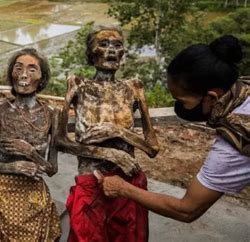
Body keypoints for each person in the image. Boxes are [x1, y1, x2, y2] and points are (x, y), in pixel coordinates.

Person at [99, 35, 250, 223]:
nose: (179, 106)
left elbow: (186, 210)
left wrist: (123, 188)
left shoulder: (235, 144)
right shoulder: (243, 87)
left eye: (182, 101)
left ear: (211, 97)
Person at [55, 25, 159, 242]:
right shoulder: (78, 85)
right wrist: (111, 154)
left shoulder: (134, 87)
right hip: (91, 181)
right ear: (92, 52)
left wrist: (117, 131)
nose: (111, 50)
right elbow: (60, 140)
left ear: (123, 53)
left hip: (128, 183)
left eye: (117, 45)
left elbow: (152, 147)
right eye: (103, 44)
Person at [0, 48, 61, 241]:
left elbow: (52, 169)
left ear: (42, 77)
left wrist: (31, 153)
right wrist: (13, 167)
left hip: (34, 197)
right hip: (0, 194)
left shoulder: (51, 113)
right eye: (18, 68)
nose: (23, 75)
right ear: (11, 74)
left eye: (32, 69)